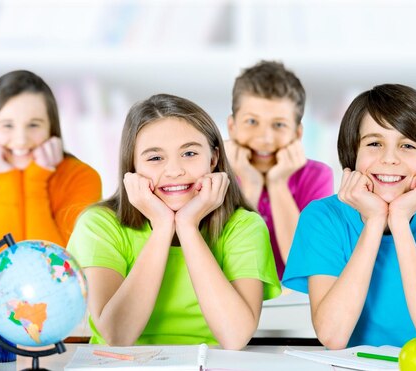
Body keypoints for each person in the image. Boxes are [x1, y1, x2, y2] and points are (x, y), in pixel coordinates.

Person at [282, 84, 416, 348]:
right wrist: (374, 222)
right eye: (374, 143)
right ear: (352, 151)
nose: (390, 158)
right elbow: (332, 336)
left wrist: (400, 222)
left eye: (407, 145)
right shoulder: (322, 217)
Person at [67, 94, 281, 350]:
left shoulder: (244, 227)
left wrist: (188, 228)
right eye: (155, 158)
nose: (174, 171)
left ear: (213, 159)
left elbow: (235, 337)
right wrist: (163, 228)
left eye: (189, 153)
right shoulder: (99, 225)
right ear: (133, 167)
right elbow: (117, 336)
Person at [0, 70, 102, 270]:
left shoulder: (82, 178)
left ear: (51, 129)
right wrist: (8, 181)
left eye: (34, 125)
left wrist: (35, 182)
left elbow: (54, 271)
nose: (21, 139)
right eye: (7, 125)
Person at [225, 60, 333, 279]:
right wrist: (250, 184)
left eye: (279, 125)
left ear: (297, 133)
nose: (265, 138)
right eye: (252, 121)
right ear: (232, 127)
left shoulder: (317, 176)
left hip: (293, 303)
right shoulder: (214, 176)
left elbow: (303, 262)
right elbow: (223, 261)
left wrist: (278, 184)